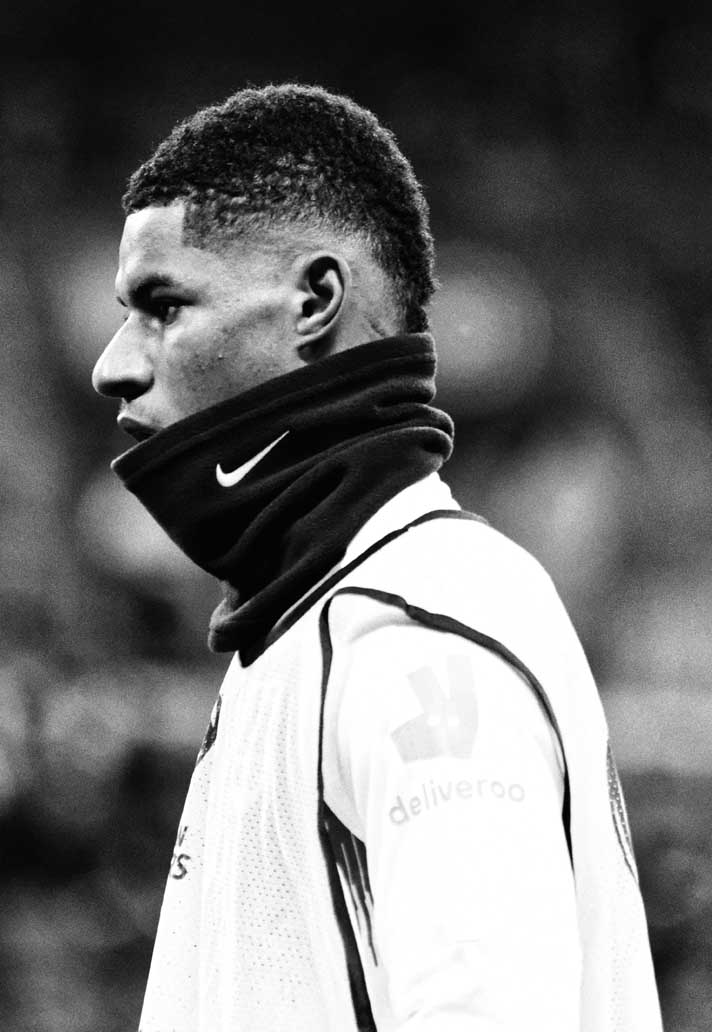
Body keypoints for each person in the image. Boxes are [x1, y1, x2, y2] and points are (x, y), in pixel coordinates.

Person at [92, 83, 662, 1032]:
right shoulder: (312, 620)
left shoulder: (417, 623)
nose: (114, 362)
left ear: (316, 302)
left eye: (163, 305)